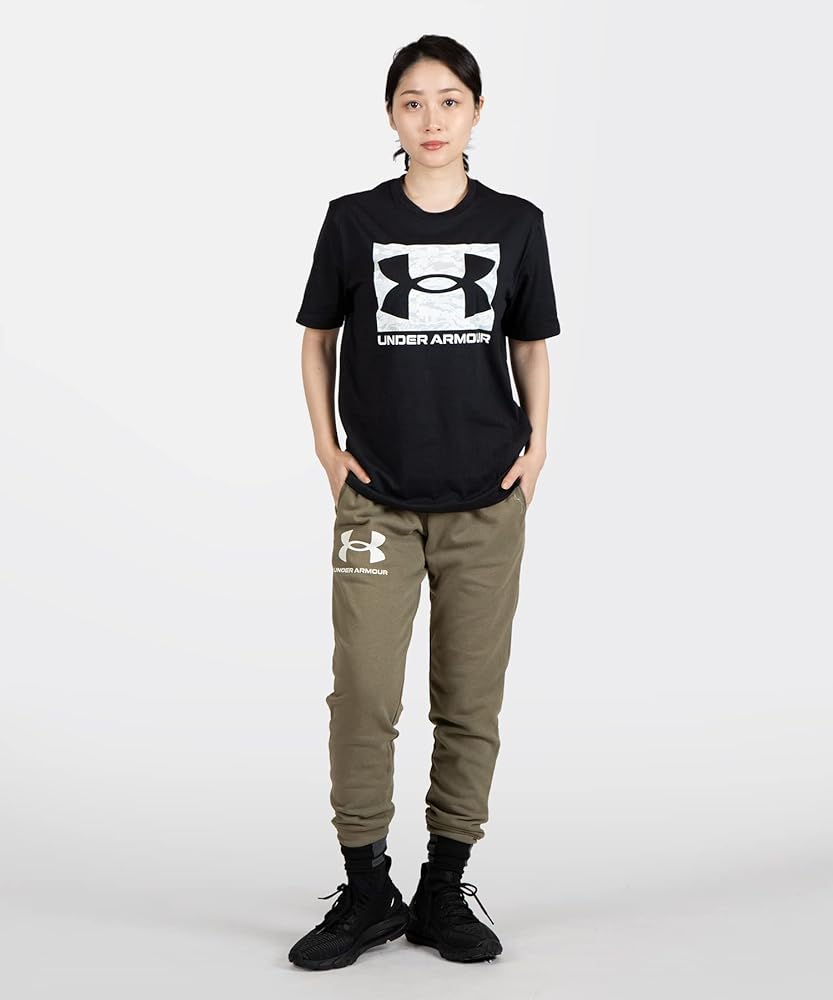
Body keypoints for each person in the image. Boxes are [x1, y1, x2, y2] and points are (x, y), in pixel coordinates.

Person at [288, 34, 560, 970]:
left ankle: (444, 885)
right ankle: (368, 889)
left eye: (449, 101)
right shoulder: (353, 221)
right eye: (412, 101)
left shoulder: (516, 223)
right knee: (363, 691)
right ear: (390, 115)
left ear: (476, 112)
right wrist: (327, 450)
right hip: (376, 501)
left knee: (469, 697)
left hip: (485, 500)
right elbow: (316, 338)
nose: (431, 119)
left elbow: (530, 345)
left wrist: (536, 446)